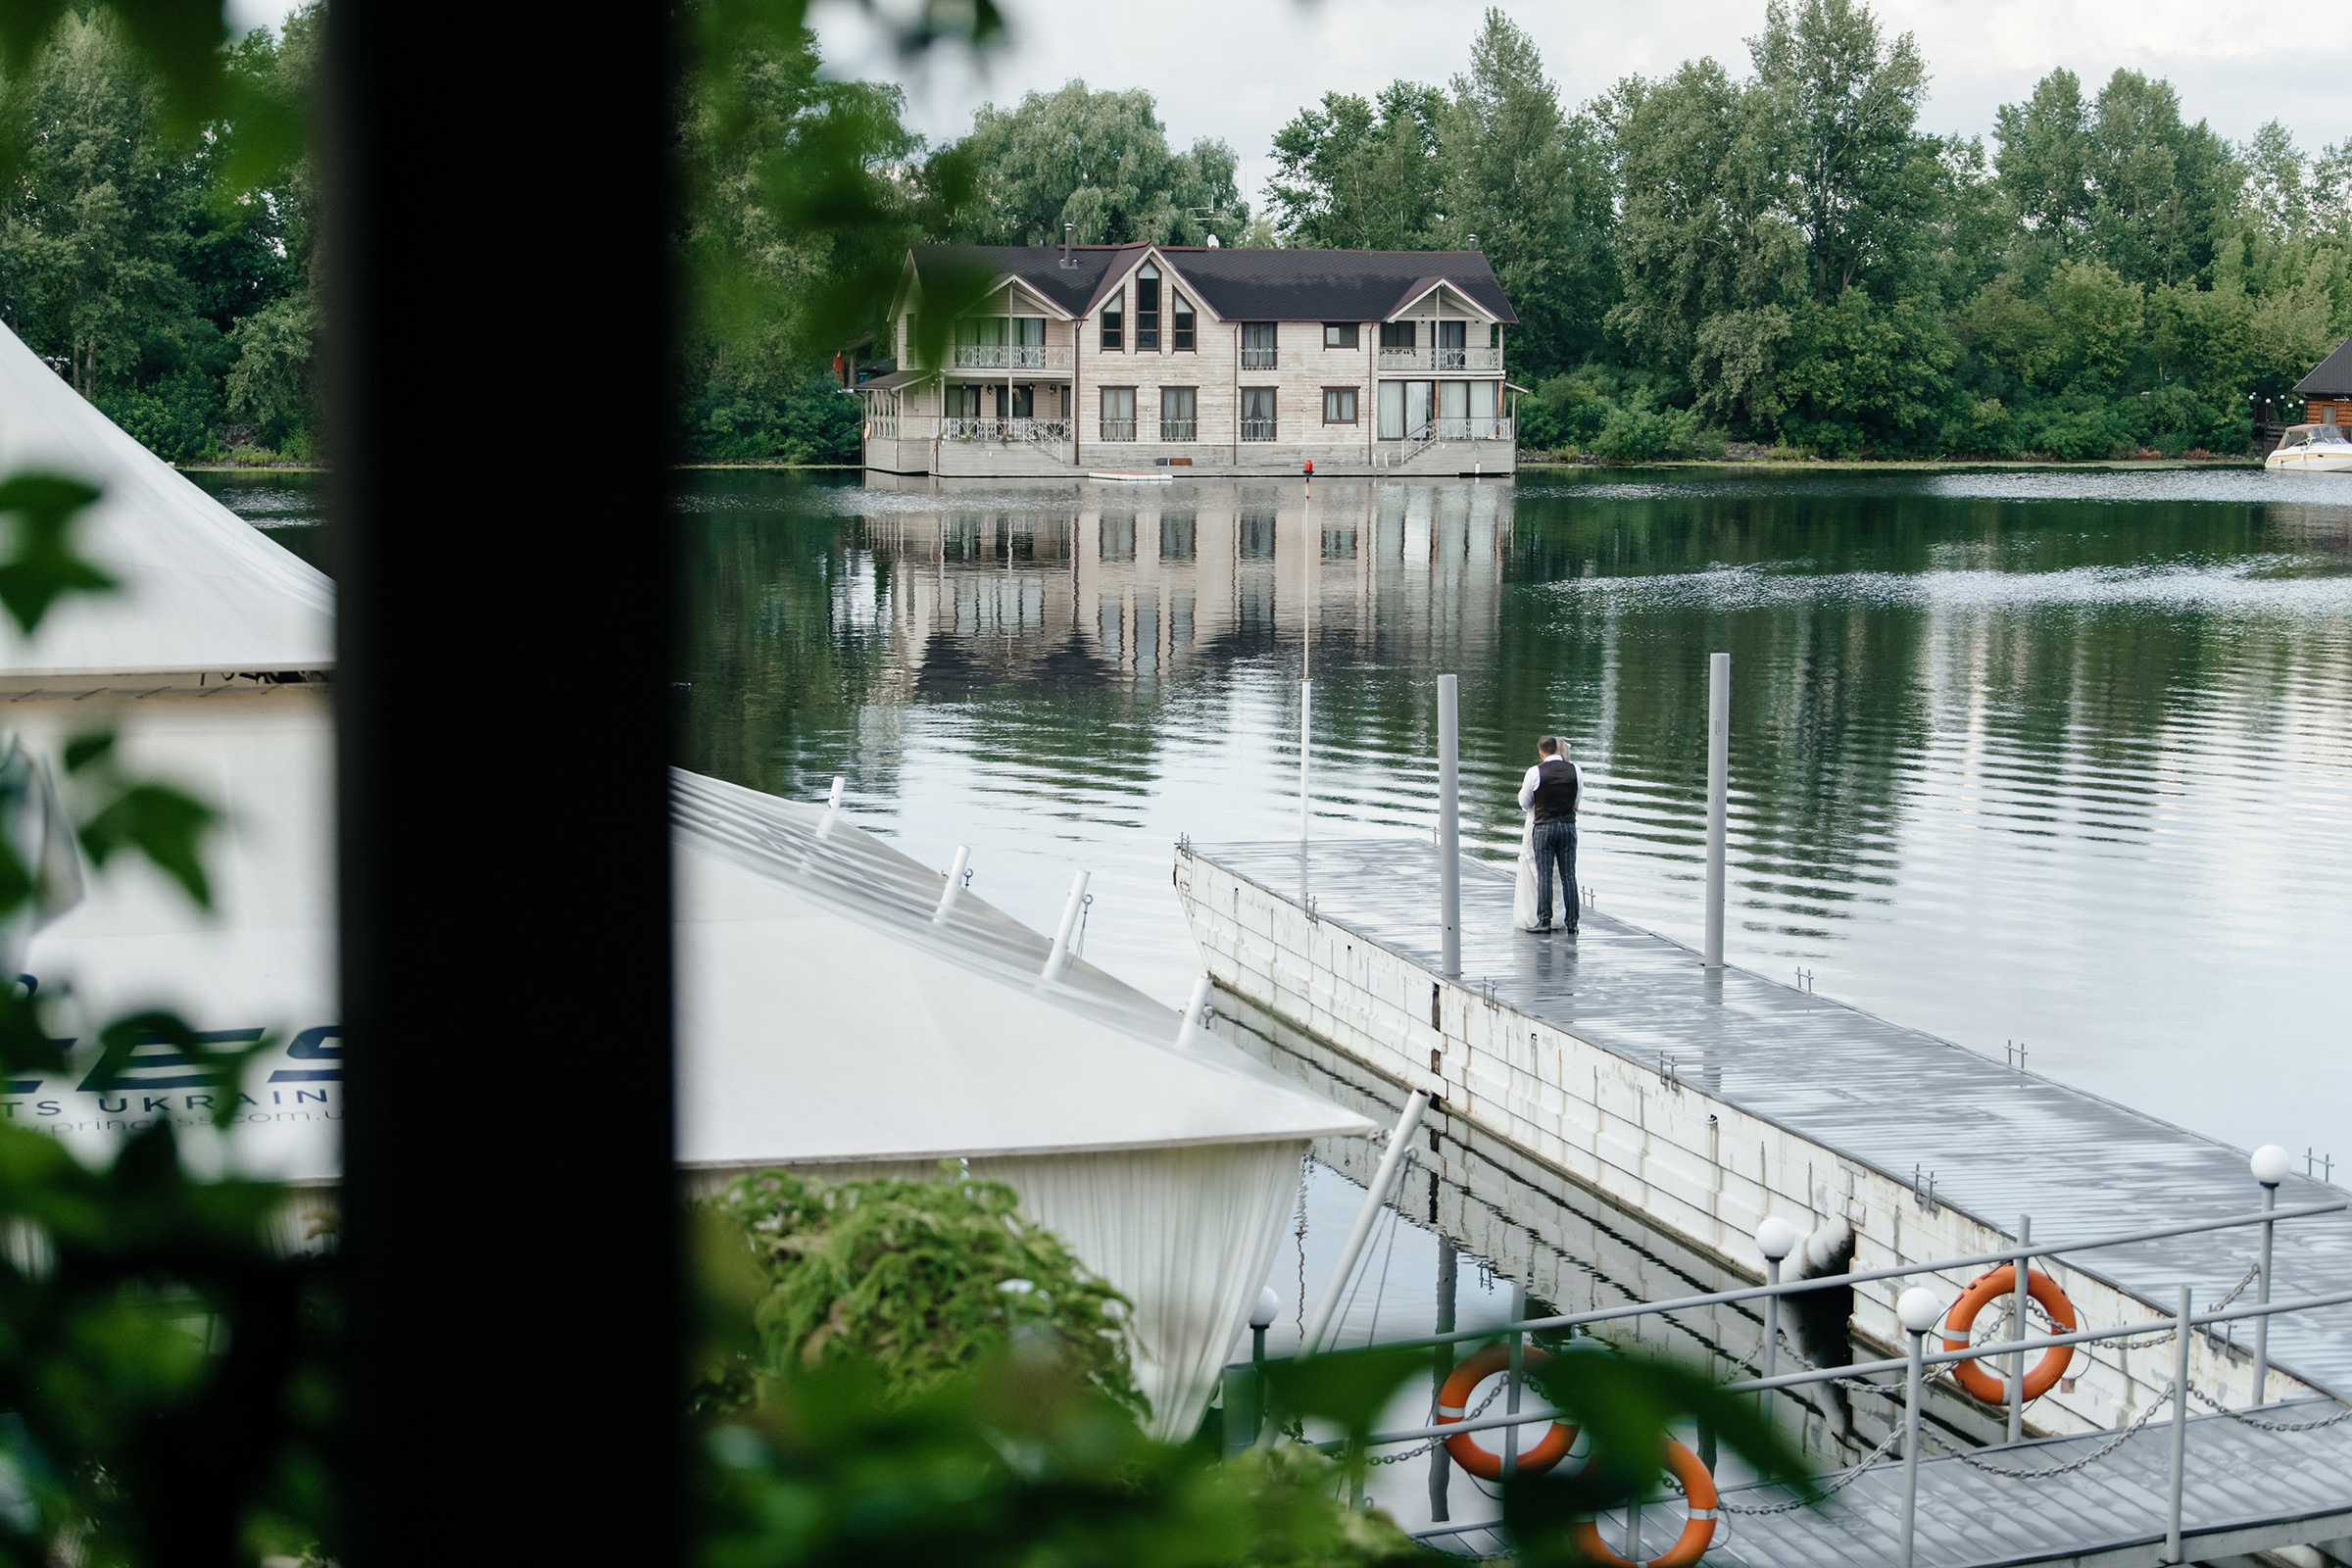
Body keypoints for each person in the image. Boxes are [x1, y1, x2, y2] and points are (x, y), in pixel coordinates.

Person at [1514, 737, 1581, 933]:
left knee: (1545, 874)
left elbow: (1525, 804)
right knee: (1569, 875)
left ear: (1541, 753)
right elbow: (1576, 801)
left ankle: (1544, 920)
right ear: (1557, 750)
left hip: (1544, 826)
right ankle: (1573, 922)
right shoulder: (1575, 770)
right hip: (1568, 826)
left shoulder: (1535, 772)